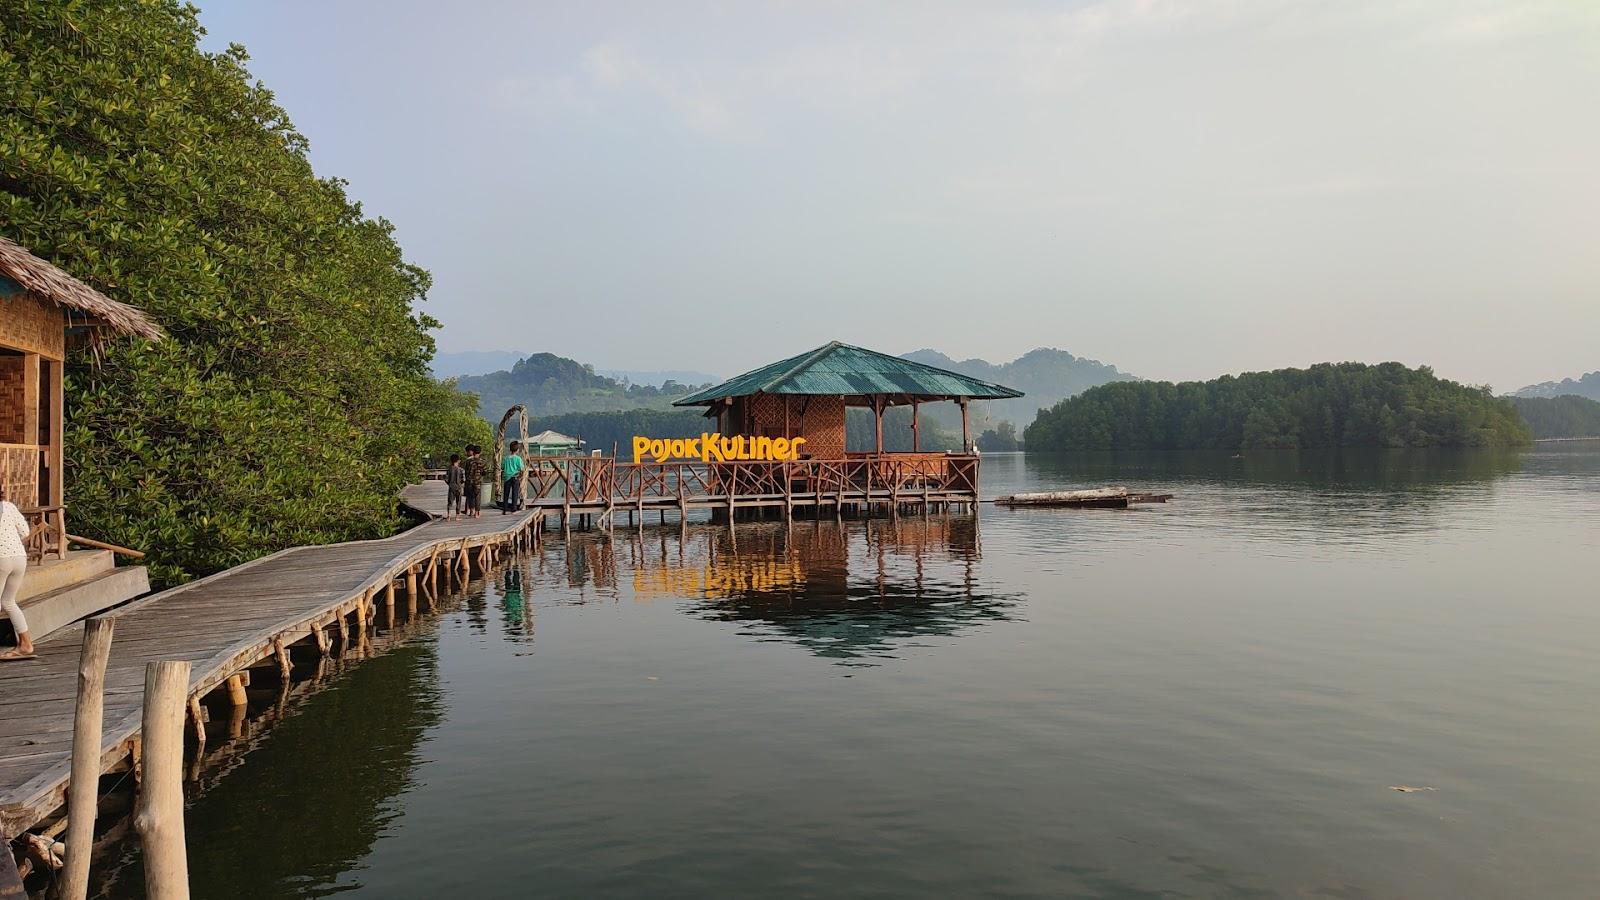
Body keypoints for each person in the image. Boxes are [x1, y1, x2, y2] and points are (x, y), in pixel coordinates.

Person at [1, 488, 36, 661]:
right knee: (8, 602)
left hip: (1, 559)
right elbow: (25, 532)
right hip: (19, 558)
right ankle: (26, 644)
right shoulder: (8, 507)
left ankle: (26, 645)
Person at [501, 441, 525, 514]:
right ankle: (513, 509)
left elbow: (502, 467)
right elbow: (522, 469)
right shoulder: (518, 459)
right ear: (517, 450)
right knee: (515, 494)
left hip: (507, 477)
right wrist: (520, 475)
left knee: (506, 494)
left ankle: (505, 509)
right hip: (515, 477)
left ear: (510, 449)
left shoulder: (505, 458)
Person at [463, 445, 483, 518]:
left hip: (469, 482)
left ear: (473, 452)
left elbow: (466, 471)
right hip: (477, 482)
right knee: (477, 497)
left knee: (471, 497)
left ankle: (471, 511)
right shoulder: (482, 461)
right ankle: (477, 513)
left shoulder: (468, 461)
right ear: (480, 452)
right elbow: (484, 472)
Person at [445, 453, 465, 520]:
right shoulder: (461, 470)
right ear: (458, 461)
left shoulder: (449, 469)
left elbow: (446, 479)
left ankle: (449, 516)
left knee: (450, 501)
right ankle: (457, 516)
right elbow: (463, 479)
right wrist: (461, 484)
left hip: (451, 487)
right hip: (458, 487)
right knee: (458, 502)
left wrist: (450, 484)